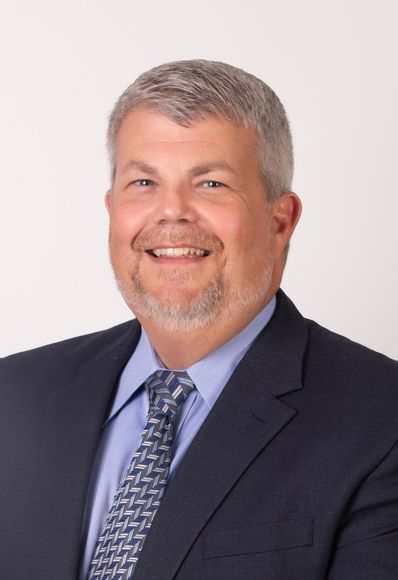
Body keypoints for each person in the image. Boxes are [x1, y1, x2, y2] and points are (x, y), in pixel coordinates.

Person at [0, 60, 397, 580]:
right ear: (111, 208)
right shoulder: (15, 394)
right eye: (143, 181)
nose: (172, 213)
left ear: (281, 220)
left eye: (210, 183)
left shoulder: (381, 421)